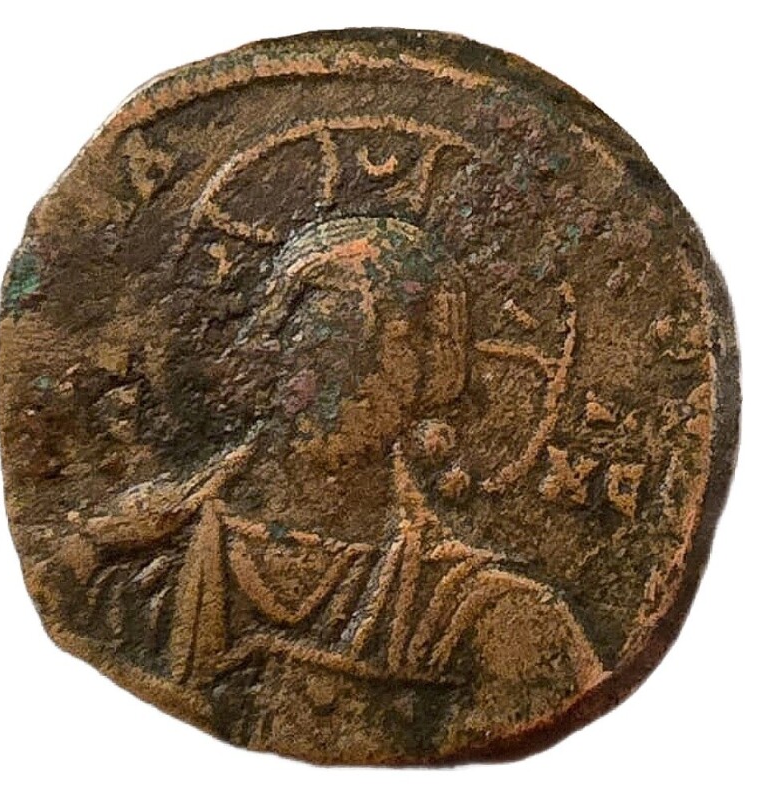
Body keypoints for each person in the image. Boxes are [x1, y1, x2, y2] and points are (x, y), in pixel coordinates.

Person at [76, 216, 604, 760]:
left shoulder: (498, 620)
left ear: (434, 371)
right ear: (273, 344)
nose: (355, 368)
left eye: (392, 338)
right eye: (331, 332)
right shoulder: (128, 564)